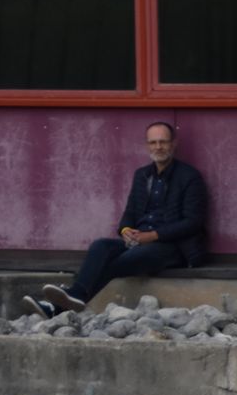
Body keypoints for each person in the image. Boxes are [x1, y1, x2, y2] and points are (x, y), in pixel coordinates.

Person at [24, 122, 208, 318]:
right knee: (100, 246)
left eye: (163, 142)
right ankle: (71, 299)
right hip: (139, 241)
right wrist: (126, 230)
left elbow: (193, 222)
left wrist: (153, 236)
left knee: (124, 259)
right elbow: (130, 213)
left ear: (173, 144)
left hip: (173, 247)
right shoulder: (142, 175)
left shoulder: (190, 177)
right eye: (153, 142)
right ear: (147, 145)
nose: (158, 147)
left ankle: (65, 302)